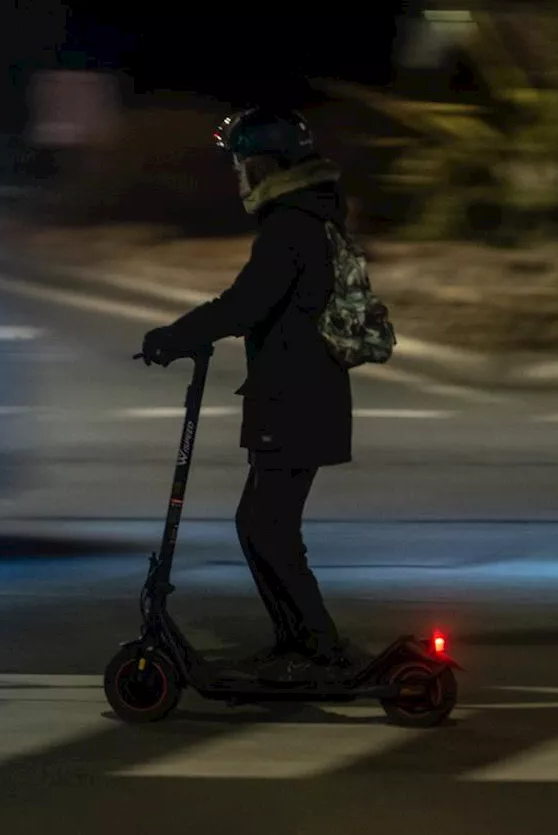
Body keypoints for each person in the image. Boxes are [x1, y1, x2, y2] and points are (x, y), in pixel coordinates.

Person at [139, 107, 363, 679]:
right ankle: (299, 641)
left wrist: (174, 337)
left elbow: (244, 304)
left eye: (241, 165)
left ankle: (322, 647)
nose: (238, 177)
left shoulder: (290, 226)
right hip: (300, 396)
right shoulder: (308, 217)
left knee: (269, 527)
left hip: (295, 399)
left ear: (262, 166)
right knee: (259, 524)